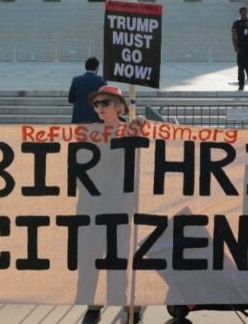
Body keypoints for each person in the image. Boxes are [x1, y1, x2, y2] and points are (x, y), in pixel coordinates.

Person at [81, 85, 142, 323]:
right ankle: (94, 306)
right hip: (94, 205)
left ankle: (132, 309)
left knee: (122, 258)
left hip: (123, 204)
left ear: (119, 106)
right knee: (94, 256)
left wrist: (139, 131)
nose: (99, 108)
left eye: (104, 103)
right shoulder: (89, 133)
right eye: (96, 104)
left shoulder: (133, 128)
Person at [68, 57, 107, 123]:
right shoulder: (101, 80)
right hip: (96, 117)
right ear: (96, 68)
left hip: (79, 117)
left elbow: (71, 99)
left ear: (86, 67)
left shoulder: (76, 80)